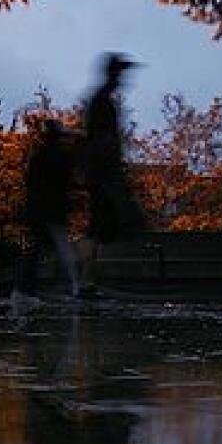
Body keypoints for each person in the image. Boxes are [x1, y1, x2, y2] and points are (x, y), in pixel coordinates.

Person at [80, 52, 146, 290]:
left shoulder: (102, 100)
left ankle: (89, 278)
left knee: (102, 225)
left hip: (103, 171)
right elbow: (101, 140)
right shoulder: (102, 101)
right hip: (104, 172)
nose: (124, 79)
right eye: (121, 73)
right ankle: (87, 278)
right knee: (103, 224)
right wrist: (110, 170)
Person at [12, 118, 80, 304]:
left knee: (37, 250)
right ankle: (71, 288)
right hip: (52, 211)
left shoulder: (39, 157)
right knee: (62, 250)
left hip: (39, 210)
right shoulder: (59, 156)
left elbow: (31, 183)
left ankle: (25, 289)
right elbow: (69, 179)